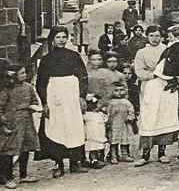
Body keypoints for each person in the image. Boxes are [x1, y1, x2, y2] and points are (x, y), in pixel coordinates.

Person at [35, 26, 89, 177]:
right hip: (55, 96)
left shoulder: (74, 56)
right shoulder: (46, 60)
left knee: (74, 127)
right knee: (57, 127)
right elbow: (41, 82)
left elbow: (83, 77)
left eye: (64, 37)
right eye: (58, 37)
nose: (61, 40)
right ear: (52, 40)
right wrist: (44, 102)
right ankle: (58, 164)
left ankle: (74, 163)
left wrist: (82, 96)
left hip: (72, 95)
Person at [133, 25, 175, 166]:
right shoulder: (142, 52)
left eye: (157, 36)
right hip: (149, 86)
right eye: (151, 36)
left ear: (161, 36)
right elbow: (139, 71)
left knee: (163, 117)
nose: (154, 39)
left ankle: (162, 152)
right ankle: (145, 154)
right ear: (147, 36)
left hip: (164, 86)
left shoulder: (167, 50)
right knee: (149, 118)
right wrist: (153, 74)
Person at [0, 64, 42, 188]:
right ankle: (7, 178)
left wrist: (34, 107)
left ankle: (23, 175)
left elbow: (34, 101)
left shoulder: (29, 87)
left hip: (27, 122)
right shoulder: (5, 91)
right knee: (9, 151)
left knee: (25, 148)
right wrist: (4, 124)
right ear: (12, 76)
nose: (25, 75)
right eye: (21, 73)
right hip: (12, 124)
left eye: (25, 73)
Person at [106, 84, 136, 163]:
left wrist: (129, 118)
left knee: (124, 140)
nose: (119, 92)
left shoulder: (126, 102)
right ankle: (113, 156)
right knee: (114, 141)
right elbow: (107, 113)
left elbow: (131, 111)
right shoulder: (111, 102)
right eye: (116, 90)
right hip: (114, 124)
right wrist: (108, 121)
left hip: (124, 124)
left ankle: (125, 155)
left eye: (121, 90)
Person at [83, 96, 107, 169]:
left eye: (95, 105)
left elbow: (106, 119)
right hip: (91, 135)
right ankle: (93, 160)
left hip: (100, 134)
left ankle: (101, 158)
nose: (94, 107)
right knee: (92, 147)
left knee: (100, 146)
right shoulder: (87, 114)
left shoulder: (100, 114)